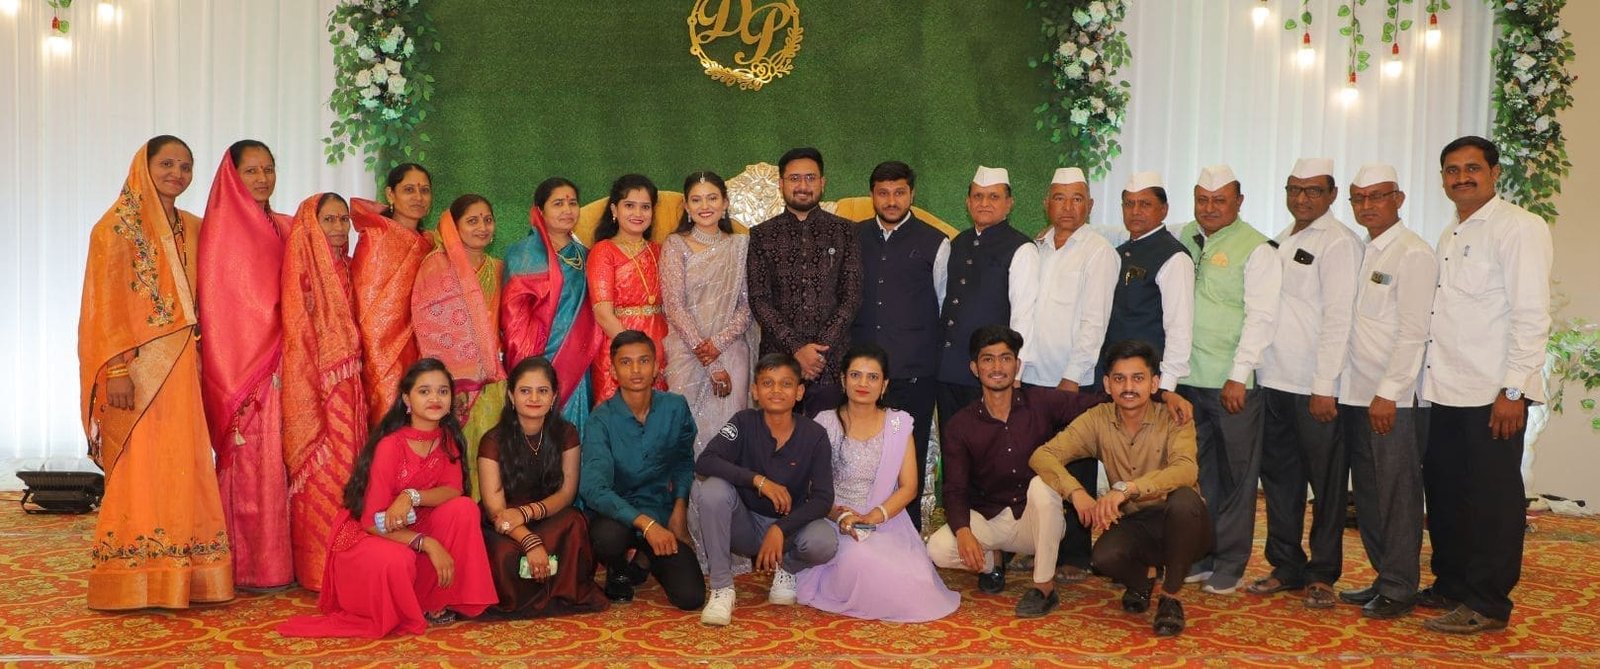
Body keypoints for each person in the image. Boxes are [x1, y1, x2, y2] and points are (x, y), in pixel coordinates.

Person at [78, 136, 234, 610]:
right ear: (143, 167)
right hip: (138, 371)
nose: (177, 174)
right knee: (142, 466)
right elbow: (105, 306)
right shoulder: (114, 229)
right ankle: (135, 574)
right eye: (167, 164)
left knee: (185, 461)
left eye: (185, 166)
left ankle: (188, 573)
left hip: (186, 366)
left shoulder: (194, 227)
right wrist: (116, 371)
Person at [1418, 136, 1551, 634]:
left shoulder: (1519, 227)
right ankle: (1451, 585)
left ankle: (1488, 603)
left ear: (1494, 173)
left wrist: (1514, 390)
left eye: (1472, 168)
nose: (1462, 178)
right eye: (1452, 170)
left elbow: (1531, 315)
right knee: (1447, 494)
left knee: (1492, 502)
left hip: (1493, 395)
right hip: (1445, 389)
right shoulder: (1450, 233)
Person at [277, 358, 496, 638]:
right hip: (370, 533)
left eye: (443, 391)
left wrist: (411, 496)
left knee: (464, 508)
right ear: (406, 399)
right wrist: (428, 543)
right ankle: (403, 606)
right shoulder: (390, 446)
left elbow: (453, 489)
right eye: (424, 391)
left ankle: (432, 601)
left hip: (411, 522)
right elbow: (371, 522)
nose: (435, 398)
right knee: (399, 559)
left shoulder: (448, 439)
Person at [928, 326, 1114, 617]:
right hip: (990, 518)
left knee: (1042, 483)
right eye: (988, 359)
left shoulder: (1040, 402)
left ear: (1017, 365)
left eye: (1005, 358)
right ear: (975, 368)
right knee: (939, 549)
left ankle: (1044, 587)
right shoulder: (961, 425)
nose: (997, 367)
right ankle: (993, 562)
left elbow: (1097, 404)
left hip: (1037, 521)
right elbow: (955, 489)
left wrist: (1163, 397)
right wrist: (963, 531)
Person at [1030, 340, 1209, 637]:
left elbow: (1186, 470)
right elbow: (1042, 455)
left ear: (1154, 384)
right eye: (1119, 379)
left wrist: (1128, 489)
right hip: (1136, 522)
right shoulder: (1098, 418)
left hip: (1183, 523)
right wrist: (1076, 492)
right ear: (1107, 384)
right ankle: (1143, 581)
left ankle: (1170, 597)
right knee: (1103, 558)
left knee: (1184, 500)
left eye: (1138, 378)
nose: (1128, 387)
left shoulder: (1175, 417)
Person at [1249, 158, 1361, 608]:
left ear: (1332, 194)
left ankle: (1322, 573)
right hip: (1274, 379)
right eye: (1294, 189)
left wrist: (1324, 385)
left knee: (1327, 484)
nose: (1302, 198)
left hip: (1315, 387)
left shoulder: (1339, 243)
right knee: (1279, 479)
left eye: (1313, 190)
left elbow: (1339, 319)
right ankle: (1286, 565)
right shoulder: (1281, 238)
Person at [1334, 164, 1436, 619]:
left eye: (1377, 196)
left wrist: (1389, 393)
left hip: (1393, 400)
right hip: (1356, 392)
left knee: (1397, 493)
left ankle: (1400, 586)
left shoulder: (1413, 254)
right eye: (1359, 197)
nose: (1367, 205)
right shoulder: (1362, 250)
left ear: (1399, 199)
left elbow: (1414, 333)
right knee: (1370, 494)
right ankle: (1383, 576)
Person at [795, 343, 960, 622]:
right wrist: (842, 516)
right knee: (862, 562)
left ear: (884, 385)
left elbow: (909, 487)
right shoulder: (825, 422)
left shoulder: (898, 424)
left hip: (886, 518)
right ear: (843, 380)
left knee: (913, 581)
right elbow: (812, 487)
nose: (863, 384)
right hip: (835, 517)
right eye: (855, 375)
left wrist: (874, 516)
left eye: (872, 377)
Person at [1175, 164, 1281, 595]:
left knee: (1238, 477)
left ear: (1239, 201)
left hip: (1231, 383)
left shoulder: (1257, 248)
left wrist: (1239, 375)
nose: (1209, 208)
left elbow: (1262, 317)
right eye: (1202, 199)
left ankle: (1231, 562)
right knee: (1200, 474)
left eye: (1219, 200)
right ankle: (1202, 553)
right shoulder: (1185, 236)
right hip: (1188, 378)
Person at [1010, 166, 1119, 582]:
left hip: (1073, 382)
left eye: (1077, 199)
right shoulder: (1037, 246)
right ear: (1047, 203)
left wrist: (1073, 377)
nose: (1068, 207)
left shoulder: (1098, 252)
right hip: (1033, 375)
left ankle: (1075, 553)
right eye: (1060, 197)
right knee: (1035, 465)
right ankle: (1039, 545)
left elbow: (1095, 321)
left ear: (1090, 205)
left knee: (1076, 467)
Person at [197, 139, 294, 590]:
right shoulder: (221, 233)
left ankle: (281, 563)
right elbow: (223, 308)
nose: (262, 178)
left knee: (281, 463)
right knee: (251, 463)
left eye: (268, 169)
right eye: (251, 171)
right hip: (244, 369)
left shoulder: (284, 225)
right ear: (232, 177)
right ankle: (245, 567)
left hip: (285, 361)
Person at [693, 353, 839, 626]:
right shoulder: (743, 422)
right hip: (745, 526)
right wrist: (758, 481)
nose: (776, 390)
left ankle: (787, 568)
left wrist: (780, 529)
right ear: (755, 391)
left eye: (786, 384)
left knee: (825, 541)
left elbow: (823, 498)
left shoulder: (815, 434)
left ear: (799, 392)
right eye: (768, 383)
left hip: (790, 530)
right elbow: (705, 461)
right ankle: (722, 588)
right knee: (712, 489)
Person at [660, 170, 758, 573]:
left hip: (732, 354)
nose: (705, 206)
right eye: (697, 199)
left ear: (725, 203)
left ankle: (730, 544)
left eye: (712, 198)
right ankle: (694, 543)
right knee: (691, 444)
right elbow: (674, 306)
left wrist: (718, 346)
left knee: (728, 444)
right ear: (686, 206)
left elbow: (748, 305)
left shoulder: (740, 246)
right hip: (687, 356)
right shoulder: (675, 245)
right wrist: (708, 357)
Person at [849, 160, 949, 531]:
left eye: (899, 192)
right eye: (883, 193)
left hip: (913, 373)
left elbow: (944, 306)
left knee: (910, 457)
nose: (891, 201)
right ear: (872, 195)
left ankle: (906, 539)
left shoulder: (935, 243)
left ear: (911, 194)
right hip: (862, 375)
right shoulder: (853, 237)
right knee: (863, 457)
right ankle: (862, 532)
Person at [579, 331, 705, 610]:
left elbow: (684, 461)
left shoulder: (675, 407)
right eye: (626, 362)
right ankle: (618, 568)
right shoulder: (601, 419)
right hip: (617, 517)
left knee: (691, 597)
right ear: (613, 371)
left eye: (644, 361)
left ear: (656, 367)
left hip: (660, 513)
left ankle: (644, 561)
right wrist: (646, 526)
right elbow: (593, 488)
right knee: (606, 538)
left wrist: (680, 509)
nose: (636, 370)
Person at [281, 192, 368, 591]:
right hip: (316, 385)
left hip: (350, 385)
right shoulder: (301, 271)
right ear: (311, 226)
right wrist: (314, 386)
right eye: (328, 220)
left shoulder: (348, 268)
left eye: (343, 219)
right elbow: (297, 335)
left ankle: (346, 565)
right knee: (323, 475)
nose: (338, 228)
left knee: (349, 472)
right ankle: (318, 569)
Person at [478, 356, 609, 617]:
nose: (534, 398)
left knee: (574, 523)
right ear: (511, 396)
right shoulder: (492, 441)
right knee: (505, 556)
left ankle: (563, 594)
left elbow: (567, 493)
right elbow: (495, 510)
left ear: (554, 396)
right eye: (525, 391)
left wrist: (527, 513)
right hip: (505, 524)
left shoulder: (566, 433)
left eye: (542, 391)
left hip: (547, 514)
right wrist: (529, 540)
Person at [747, 147, 863, 416]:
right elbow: (759, 299)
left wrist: (817, 353)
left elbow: (852, 296)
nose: (802, 186)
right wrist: (797, 349)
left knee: (828, 438)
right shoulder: (762, 235)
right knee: (777, 437)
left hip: (831, 363)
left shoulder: (845, 231)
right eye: (794, 178)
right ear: (781, 184)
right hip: (778, 362)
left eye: (810, 178)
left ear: (822, 182)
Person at [413, 194, 507, 496]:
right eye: (472, 221)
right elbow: (429, 326)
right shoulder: (436, 266)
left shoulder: (497, 267)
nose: (482, 227)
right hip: (451, 385)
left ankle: (487, 514)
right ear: (455, 226)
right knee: (454, 458)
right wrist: (455, 380)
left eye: (488, 220)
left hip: (492, 381)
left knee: (491, 454)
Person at [501, 177, 604, 431]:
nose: (567, 210)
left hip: (579, 362)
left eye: (572, 203)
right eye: (558, 203)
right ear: (540, 210)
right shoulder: (523, 255)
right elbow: (514, 321)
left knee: (574, 434)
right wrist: (529, 368)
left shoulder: (587, 255)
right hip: (538, 360)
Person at [935, 167, 1032, 431]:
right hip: (948, 369)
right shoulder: (958, 243)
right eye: (978, 196)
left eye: (993, 197)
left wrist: (1016, 374)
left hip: (992, 373)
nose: (984, 203)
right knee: (952, 442)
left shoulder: (1021, 248)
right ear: (968, 202)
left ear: (1009, 204)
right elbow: (944, 300)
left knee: (988, 444)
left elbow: (1024, 315)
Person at [352, 163, 436, 425]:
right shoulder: (376, 237)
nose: (418, 197)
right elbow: (367, 309)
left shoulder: (431, 244)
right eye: (409, 189)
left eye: (424, 190)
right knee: (389, 423)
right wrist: (382, 363)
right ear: (390, 194)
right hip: (380, 354)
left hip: (424, 349)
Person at [588, 175, 669, 403]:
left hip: (661, 346)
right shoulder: (604, 251)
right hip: (619, 347)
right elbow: (603, 314)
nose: (638, 213)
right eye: (629, 205)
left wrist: (654, 354)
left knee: (658, 415)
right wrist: (636, 353)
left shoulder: (661, 251)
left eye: (645, 207)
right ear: (615, 209)